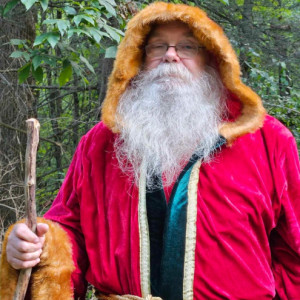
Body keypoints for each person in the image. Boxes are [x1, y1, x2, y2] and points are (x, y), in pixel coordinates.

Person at [1, 2, 299, 300]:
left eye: (187, 46)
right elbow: (69, 230)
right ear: (138, 60)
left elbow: (293, 250)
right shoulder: (101, 143)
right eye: (158, 47)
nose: (171, 55)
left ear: (210, 58)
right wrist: (34, 247)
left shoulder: (267, 140)